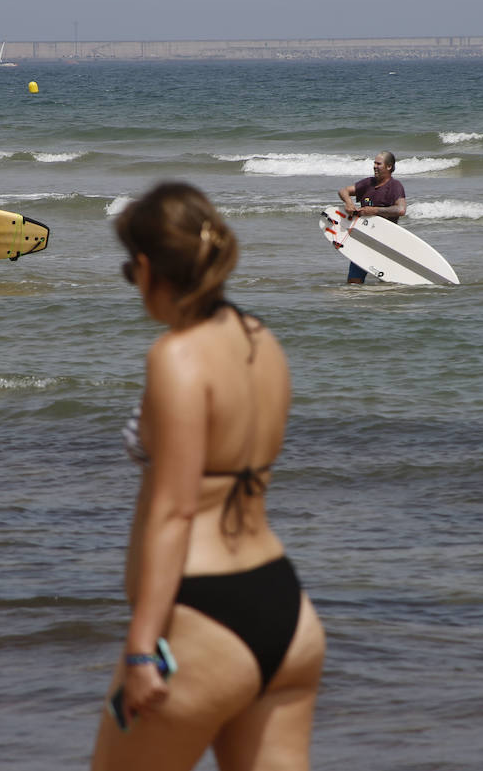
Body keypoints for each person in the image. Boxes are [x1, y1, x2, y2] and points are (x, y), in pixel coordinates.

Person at [92, 182, 325, 771]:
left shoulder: (177, 356)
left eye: (129, 269)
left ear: (147, 267)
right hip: (285, 611)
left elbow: (175, 510)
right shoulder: (263, 342)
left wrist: (143, 649)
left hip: (198, 619)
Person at [336, 151, 406, 283]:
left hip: (386, 244)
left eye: (378, 163)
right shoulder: (368, 183)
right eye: (374, 163)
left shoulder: (394, 186)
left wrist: (375, 210)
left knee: (387, 285)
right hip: (364, 240)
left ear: (389, 167)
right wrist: (349, 202)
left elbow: (401, 209)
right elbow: (343, 191)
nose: (374, 166)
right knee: (353, 284)